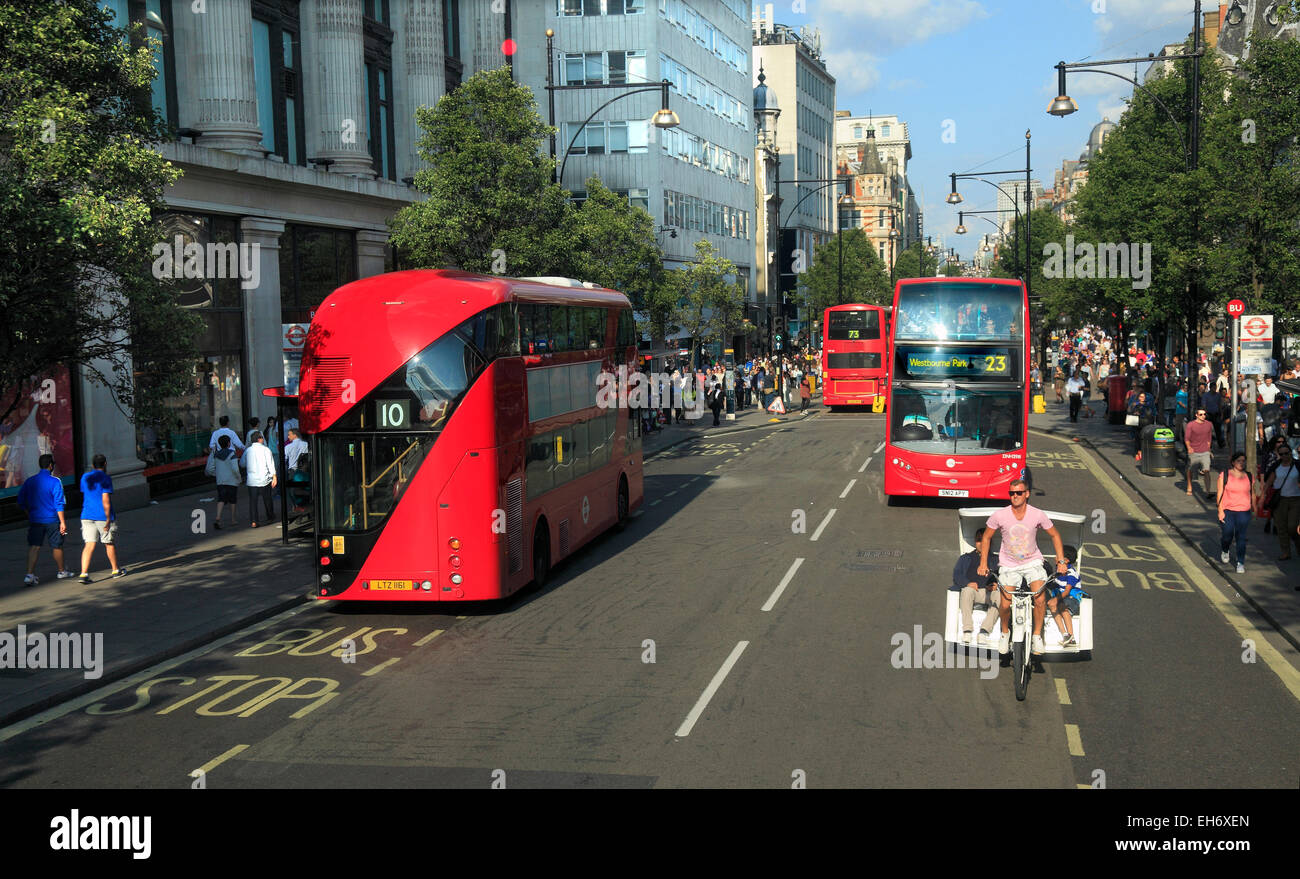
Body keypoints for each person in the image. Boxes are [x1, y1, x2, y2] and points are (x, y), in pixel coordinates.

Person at [977, 478, 1068, 656]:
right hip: (1009, 564)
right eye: (1012, 493)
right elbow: (986, 537)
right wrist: (983, 563)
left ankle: (1037, 636)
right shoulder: (1000, 515)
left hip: (1032, 562)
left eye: (1019, 493)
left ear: (1027, 494)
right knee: (1005, 603)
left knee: (1040, 599)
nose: (1015, 496)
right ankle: (1004, 632)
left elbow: (1055, 535)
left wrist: (1061, 561)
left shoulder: (1037, 514)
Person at [16, 454, 74, 585]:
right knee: (57, 546)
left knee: (34, 547)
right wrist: (63, 522)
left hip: (35, 519)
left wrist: (29, 513)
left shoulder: (30, 481)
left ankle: (29, 575)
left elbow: (20, 501)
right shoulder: (55, 481)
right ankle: (61, 571)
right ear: (51, 465)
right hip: (52, 519)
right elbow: (59, 503)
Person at [78, 454, 123, 583]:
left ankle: (83, 573)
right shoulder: (106, 478)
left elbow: (85, 494)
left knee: (89, 544)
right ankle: (115, 570)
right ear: (105, 464)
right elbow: (105, 499)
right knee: (108, 543)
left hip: (86, 514)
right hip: (102, 516)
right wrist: (108, 518)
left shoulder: (85, 477)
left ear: (93, 465)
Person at [954, 526, 1000, 646]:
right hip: (973, 591)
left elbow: (1004, 577)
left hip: (989, 592)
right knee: (967, 590)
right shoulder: (966, 558)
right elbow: (957, 575)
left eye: (985, 540)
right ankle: (967, 630)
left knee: (1000, 596)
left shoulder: (997, 559)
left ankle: (984, 631)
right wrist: (967, 583)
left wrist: (996, 584)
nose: (981, 543)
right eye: (979, 540)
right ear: (975, 542)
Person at [1217, 452, 1256, 574]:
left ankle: (1240, 562)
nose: (1241, 463)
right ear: (1233, 462)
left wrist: (1255, 507)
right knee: (1227, 534)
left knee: (1241, 537)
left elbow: (1252, 493)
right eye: (1239, 461)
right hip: (1228, 510)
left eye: (1243, 461)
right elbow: (1219, 493)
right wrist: (1220, 511)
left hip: (1244, 511)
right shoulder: (1225, 475)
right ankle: (1225, 549)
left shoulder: (1249, 476)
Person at [1261, 444, 1300, 560]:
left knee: (1292, 527)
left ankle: (1298, 546)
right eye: (1281, 454)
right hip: (1280, 500)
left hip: (1296, 500)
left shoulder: (1297, 465)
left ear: (1290, 452)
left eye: (1286, 453)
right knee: (1281, 527)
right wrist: (1262, 496)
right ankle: (1286, 552)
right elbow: (1269, 482)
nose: (1284, 456)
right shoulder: (1276, 466)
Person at [1046, 544, 1086, 648]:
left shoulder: (1071, 573)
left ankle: (1071, 635)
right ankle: (1065, 635)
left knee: (1061, 606)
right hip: (1061, 597)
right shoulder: (1058, 571)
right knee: (1052, 605)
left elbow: (1067, 591)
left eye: (1058, 556)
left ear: (1066, 560)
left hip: (1072, 598)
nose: (1055, 558)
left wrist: (1056, 599)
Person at [243, 430, 278, 527]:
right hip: (264, 479)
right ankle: (270, 516)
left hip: (252, 479)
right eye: (262, 438)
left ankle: (254, 521)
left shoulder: (248, 451)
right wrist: (274, 476)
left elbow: (242, 463)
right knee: (267, 499)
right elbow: (270, 464)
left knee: (253, 501)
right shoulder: (266, 450)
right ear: (260, 439)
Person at [212, 434, 241, 529]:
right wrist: (239, 478)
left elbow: (211, 468)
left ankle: (218, 517)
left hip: (220, 481)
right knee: (232, 500)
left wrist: (216, 474)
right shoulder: (232, 454)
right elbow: (235, 469)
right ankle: (233, 519)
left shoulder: (216, 455)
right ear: (229, 443)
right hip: (231, 481)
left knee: (221, 499)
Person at [1184, 407, 1214, 498]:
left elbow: (1209, 438)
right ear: (1196, 415)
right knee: (1190, 469)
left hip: (1205, 451)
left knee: (1207, 470)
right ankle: (1189, 486)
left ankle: (1208, 491)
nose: (1203, 416)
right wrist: (1189, 448)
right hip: (1194, 450)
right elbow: (1187, 438)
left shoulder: (1209, 424)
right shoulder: (1191, 425)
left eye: (1204, 414)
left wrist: (1208, 449)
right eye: (1201, 414)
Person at [1128, 391, 1155, 461]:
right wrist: (1134, 412)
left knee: (1143, 438)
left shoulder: (1147, 405)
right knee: (1137, 438)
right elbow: (1129, 411)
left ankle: (1142, 452)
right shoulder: (1134, 404)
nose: (1142, 398)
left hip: (1145, 423)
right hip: (1136, 423)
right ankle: (1137, 452)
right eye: (1141, 397)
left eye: (1143, 397)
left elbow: (1150, 413)